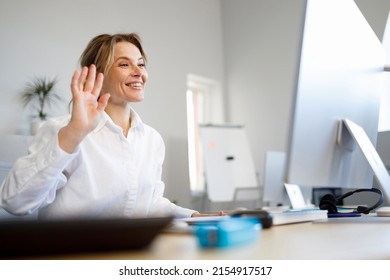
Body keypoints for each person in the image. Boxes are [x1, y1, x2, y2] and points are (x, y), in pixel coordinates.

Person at [0, 33, 222, 220]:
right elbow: (15, 202)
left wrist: (195, 217)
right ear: (97, 75)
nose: (138, 72)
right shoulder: (62, 130)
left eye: (141, 64)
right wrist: (74, 134)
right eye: (124, 64)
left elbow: (151, 204)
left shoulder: (151, 140)